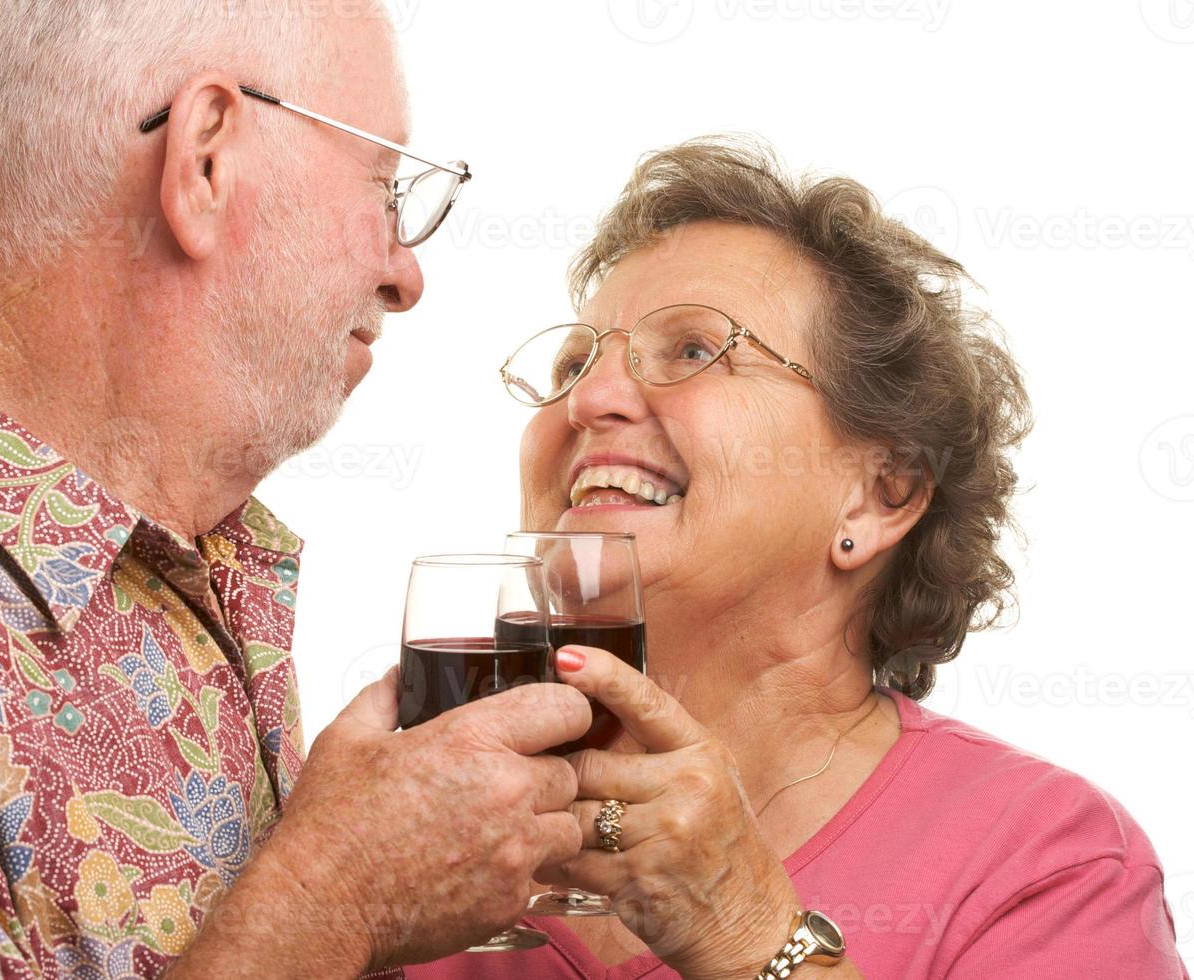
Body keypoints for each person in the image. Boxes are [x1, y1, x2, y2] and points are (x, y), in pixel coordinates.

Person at [0, 1, 591, 976]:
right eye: (383, 184)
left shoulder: (180, 571)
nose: (404, 273)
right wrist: (332, 900)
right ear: (205, 160)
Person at [411, 137, 1189, 978]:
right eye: (573, 363)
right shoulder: (407, 810)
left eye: (694, 350)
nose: (588, 398)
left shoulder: (1045, 862)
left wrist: (744, 930)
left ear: (879, 495)